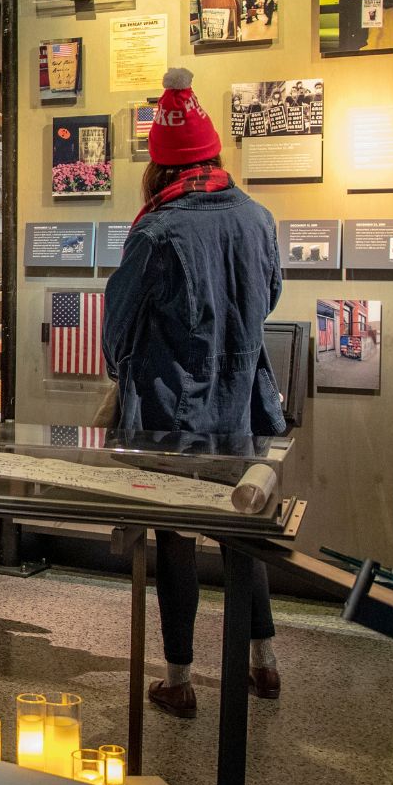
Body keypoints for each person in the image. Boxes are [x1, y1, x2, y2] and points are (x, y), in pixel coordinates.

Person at [102, 68, 287, 717]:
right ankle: (262, 663)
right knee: (243, 535)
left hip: (174, 418)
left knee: (176, 541)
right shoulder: (257, 219)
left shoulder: (159, 230)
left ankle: (178, 679)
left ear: (160, 168)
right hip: (242, 407)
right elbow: (271, 299)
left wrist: (129, 375)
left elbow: (118, 331)